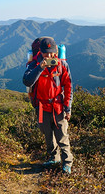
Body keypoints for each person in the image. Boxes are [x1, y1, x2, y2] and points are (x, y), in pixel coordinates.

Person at [23, 37, 74, 174]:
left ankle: (67, 163)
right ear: (40, 51)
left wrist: (68, 108)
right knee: (47, 134)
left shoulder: (62, 65)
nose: (49, 56)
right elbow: (27, 82)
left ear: (56, 51)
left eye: (51, 53)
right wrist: (40, 68)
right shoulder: (34, 65)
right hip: (41, 106)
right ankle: (54, 158)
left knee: (62, 135)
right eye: (46, 53)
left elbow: (68, 87)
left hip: (58, 106)